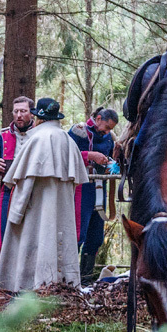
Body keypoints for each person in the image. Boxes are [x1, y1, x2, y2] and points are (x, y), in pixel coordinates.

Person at [0, 98, 88, 293]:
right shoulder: (69, 141)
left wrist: (16, 213)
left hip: (35, 210)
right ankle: (64, 286)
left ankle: (29, 287)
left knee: (34, 242)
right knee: (59, 242)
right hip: (62, 212)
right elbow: (75, 183)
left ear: (38, 118)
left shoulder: (36, 140)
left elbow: (23, 182)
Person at [68, 107, 118, 284]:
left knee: (96, 236)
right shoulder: (78, 132)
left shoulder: (109, 138)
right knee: (78, 234)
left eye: (110, 129)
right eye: (106, 127)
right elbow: (66, 154)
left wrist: (111, 163)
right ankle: (70, 279)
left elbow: (111, 160)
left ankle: (87, 279)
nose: (107, 131)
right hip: (82, 188)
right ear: (97, 118)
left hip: (100, 189)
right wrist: (90, 155)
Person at [0, 96, 34, 255]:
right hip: (8, 191)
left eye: (23, 111)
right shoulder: (2, 137)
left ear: (32, 113)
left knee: (32, 236)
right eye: (16, 111)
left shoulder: (40, 135)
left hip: (35, 192)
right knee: (5, 235)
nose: (19, 115)